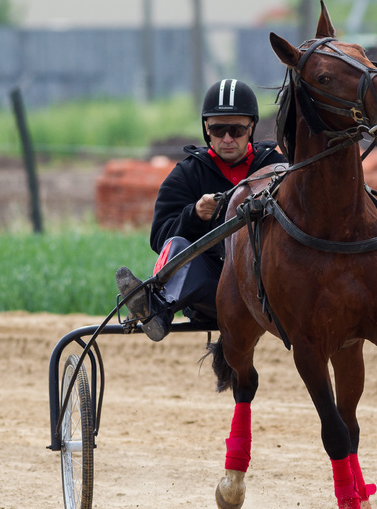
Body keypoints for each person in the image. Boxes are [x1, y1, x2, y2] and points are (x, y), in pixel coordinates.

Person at [116, 78, 286, 341]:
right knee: (177, 244)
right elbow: (160, 237)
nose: (227, 139)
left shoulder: (278, 167)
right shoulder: (186, 174)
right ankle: (157, 308)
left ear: (251, 127)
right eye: (218, 130)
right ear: (206, 129)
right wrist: (194, 215)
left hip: (273, 288)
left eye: (236, 130)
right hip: (215, 290)